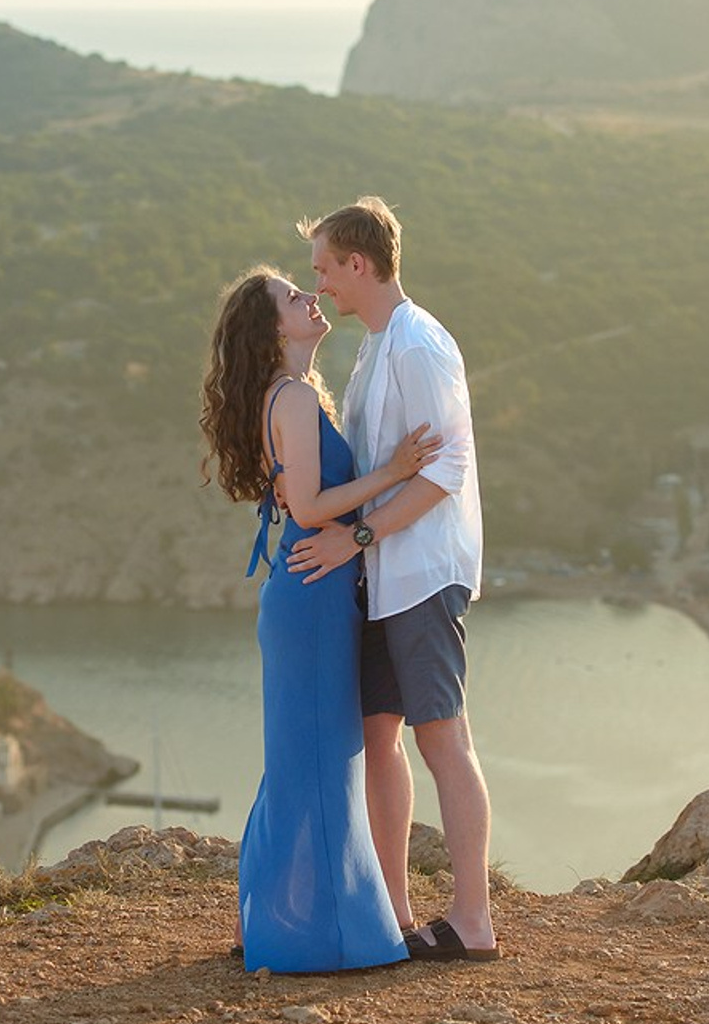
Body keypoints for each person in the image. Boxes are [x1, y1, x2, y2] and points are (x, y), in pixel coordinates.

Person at [199, 264, 439, 973]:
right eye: (291, 297)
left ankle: (269, 921)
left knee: (300, 762)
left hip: (313, 591)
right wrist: (396, 472)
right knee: (319, 762)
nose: (309, 297)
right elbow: (306, 508)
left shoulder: (291, 395)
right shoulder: (295, 398)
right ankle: (328, 935)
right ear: (272, 329)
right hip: (312, 593)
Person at [288, 197, 499, 963]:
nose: (319, 284)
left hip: (421, 572)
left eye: (324, 268)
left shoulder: (418, 344)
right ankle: (395, 913)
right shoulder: (375, 347)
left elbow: (446, 470)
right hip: (380, 575)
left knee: (443, 737)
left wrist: (357, 536)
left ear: (359, 262)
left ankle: (472, 922)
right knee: (379, 736)